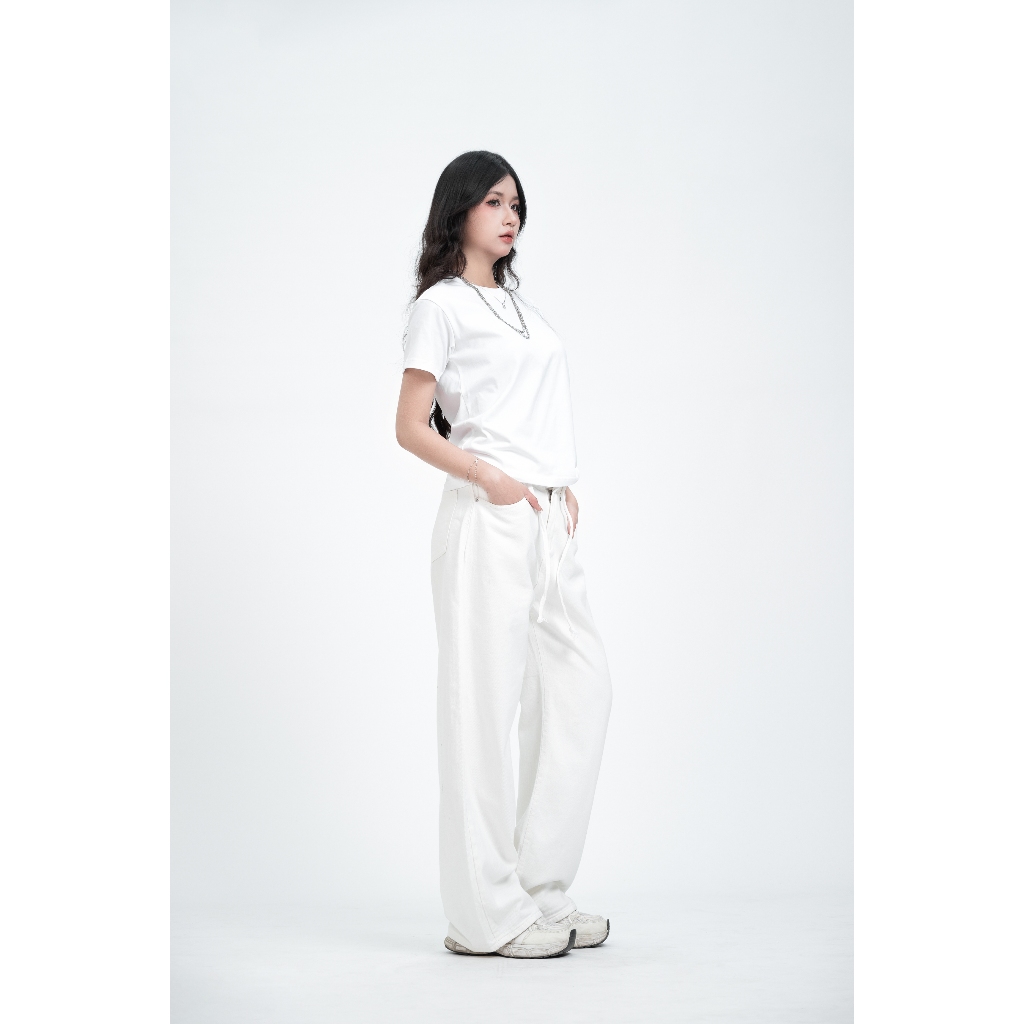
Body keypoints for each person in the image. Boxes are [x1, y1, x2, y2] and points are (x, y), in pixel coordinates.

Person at [395, 151, 613, 959]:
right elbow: (409, 426)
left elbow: (533, 405)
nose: (510, 214)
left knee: (580, 693)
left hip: (546, 517)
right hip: (488, 518)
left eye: (516, 202)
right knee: (482, 712)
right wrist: (490, 476)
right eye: (493, 200)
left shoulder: (518, 305)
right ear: (459, 209)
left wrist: (558, 483)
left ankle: (538, 891)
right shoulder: (441, 307)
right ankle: (483, 917)